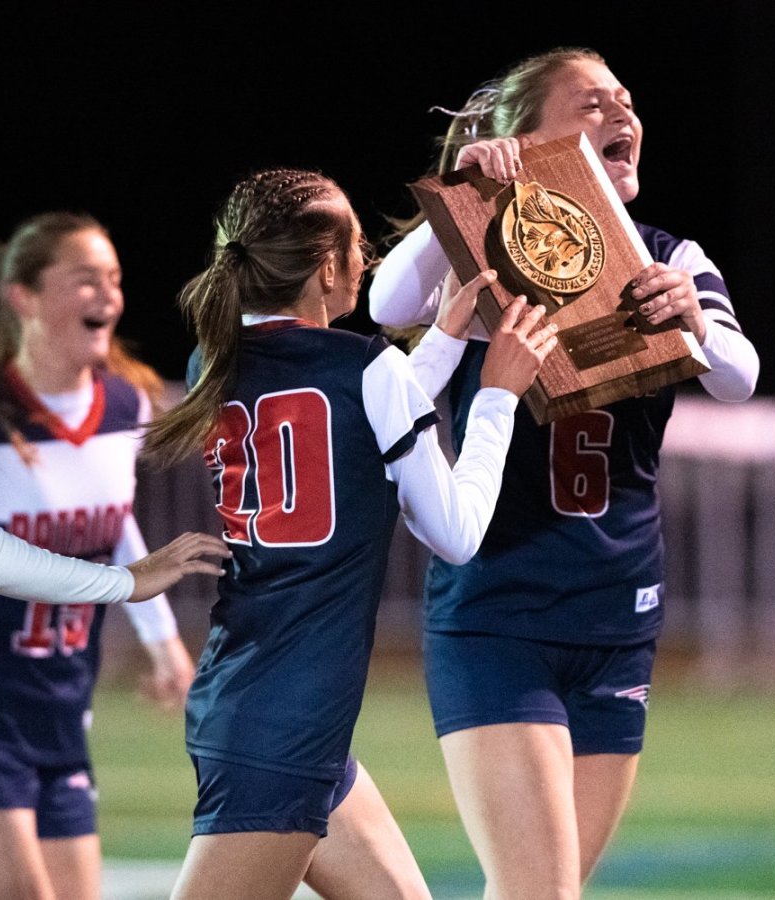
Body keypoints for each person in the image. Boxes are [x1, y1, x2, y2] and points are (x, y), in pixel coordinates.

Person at [368, 47, 760, 899]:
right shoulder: (485, 248)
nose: (622, 113)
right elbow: (388, 305)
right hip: (500, 617)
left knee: (547, 892)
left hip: (617, 614)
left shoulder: (669, 259)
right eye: (591, 104)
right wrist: (470, 189)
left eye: (626, 98)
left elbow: (739, 376)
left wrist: (691, 319)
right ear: (526, 138)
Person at [142, 166, 557, 900]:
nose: (365, 261)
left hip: (258, 697)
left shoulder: (214, 360)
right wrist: (496, 399)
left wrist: (445, 344)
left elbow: (347, 424)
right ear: (327, 264)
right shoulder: (368, 369)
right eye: (359, 245)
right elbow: (456, 533)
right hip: (286, 723)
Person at [0, 96, 227, 899]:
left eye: (115, 277)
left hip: (61, 711)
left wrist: (160, 638)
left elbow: (114, 519)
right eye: (83, 278)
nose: (108, 292)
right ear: (24, 297)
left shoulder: (125, 407)